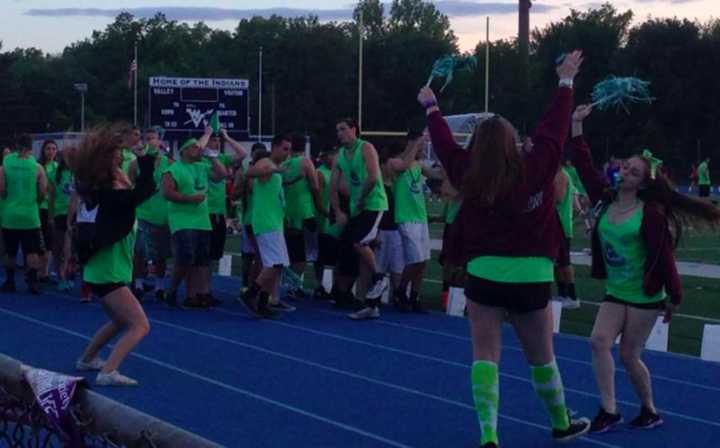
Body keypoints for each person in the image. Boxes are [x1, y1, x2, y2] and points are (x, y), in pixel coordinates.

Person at [420, 51, 591, 447]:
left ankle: (489, 436)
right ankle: (561, 423)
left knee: (485, 356)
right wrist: (565, 82)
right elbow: (553, 131)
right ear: (514, 142)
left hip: (483, 276)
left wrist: (431, 106)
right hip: (532, 276)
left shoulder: (467, 171)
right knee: (542, 357)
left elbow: (444, 144)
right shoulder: (536, 167)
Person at [571, 104, 720, 432]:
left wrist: (675, 297)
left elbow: (664, 257)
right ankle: (609, 409)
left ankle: (649, 409)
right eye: (625, 167)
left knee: (628, 354)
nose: (625, 172)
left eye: (633, 172)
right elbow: (583, 165)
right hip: (615, 291)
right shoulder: (606, 199)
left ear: (642, 184)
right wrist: (576, 124)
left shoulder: (649, 214)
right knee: (598, 341)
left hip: (644, 294)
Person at [70, 125, 156, 386]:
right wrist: (144, 158)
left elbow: (134, 187)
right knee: (140, 325)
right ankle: (108, 371)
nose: (123, 173)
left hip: (101, 269)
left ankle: (87, 359)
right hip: (108, 271)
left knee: (120, 320)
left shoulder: (102, 192)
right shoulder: (112, 197)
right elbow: (144, 188)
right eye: (118, 167)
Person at [329, 118, 389, 319]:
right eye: (337, 130)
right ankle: (371, 305)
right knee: (353, 249)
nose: (339, 133)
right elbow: (334, 186)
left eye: (343, 129)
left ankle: (380, 278)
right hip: (357, 209)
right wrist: (338, 210)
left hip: (373, 204)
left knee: (360, 243)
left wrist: (361, 198)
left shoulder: (366, 148)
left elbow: (373, 177)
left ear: (354, 129)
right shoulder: (340, 156)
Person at [163, 128, 228, 308]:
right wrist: (189, 199)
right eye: (194, 148)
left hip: (202, 221)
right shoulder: (173, 169)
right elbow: (167, 193)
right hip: (182, 221)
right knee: (186, 258)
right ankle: (173, 289)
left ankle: (199, 294)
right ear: (183, 151)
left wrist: (212, 157)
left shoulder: (202, 166)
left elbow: (222, 175)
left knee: (202, 260)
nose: (198, 150)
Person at [238, 135, 292, 318]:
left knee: (277, 265)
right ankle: (251, 294)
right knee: (273, 263)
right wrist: (274, 170)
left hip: (274, 222)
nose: (287, 153)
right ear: (275, 147)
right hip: (266, 223)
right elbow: (250, 172)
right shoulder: (266, 163)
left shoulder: (274, 168)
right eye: (284, 149)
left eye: (289, 150)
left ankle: (262, 301)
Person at [385, 132, 435, 312]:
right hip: (406, 217)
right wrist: (416, 142)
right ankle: (400, 291)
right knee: (414, 259)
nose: (422, 148)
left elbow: (437, 175)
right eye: (420, 145)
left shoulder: (418, 165)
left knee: (423, 260)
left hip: (420, 217)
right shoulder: (394, 163)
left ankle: (414, 295)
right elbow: (403, 165)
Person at [128, 128, 173, 302]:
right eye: (145, 139)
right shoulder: (135, 164)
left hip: (162, 214)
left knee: (161, 253)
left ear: (159, 141)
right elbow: (128, 184)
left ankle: (159, 286)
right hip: (141, 213)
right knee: (138, 251)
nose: (148, 142)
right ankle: (138, 284)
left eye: (152, 138)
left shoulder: (168, 163)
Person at [0, 134, 48, 294]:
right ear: (31, 147)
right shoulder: (37, 166)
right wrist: (36, 202)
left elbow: (1, 189)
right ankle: (33, 282)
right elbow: (43, 190)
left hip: (10, 215)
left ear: (15, 145)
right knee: (32, 251)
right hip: (30, 215)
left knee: (10, 251)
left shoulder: (5, 164)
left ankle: (10, 281)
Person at [281, 134, 324, 299]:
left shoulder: (284, 165)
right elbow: (314, 187)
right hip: (305, 212)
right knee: (306, 253)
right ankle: (294, 285)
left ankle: (292, 284)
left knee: (294, 252)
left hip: (289, 213)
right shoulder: (306, 162)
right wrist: (320, 207)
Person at [47, 149, 75, 291]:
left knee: (69, 248)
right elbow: (51, 197)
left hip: (75, 213)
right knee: (59, 247)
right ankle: (60, 275)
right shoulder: (54, 175)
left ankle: (67, 275)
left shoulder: (77, 174)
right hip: (60, 213)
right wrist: (50, 215)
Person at [553, 166, 580, 309]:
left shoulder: (561, 174)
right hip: (554, 226)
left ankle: (573, 297)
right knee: (557, 264)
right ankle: (562, 294)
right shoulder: (556, 173)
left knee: (564, 263)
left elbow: (558, 198)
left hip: (561, 226)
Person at [38, 140, 58, 283]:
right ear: (43, 150)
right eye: (48, 149)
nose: (51, 151)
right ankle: (38, 270)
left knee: (49, 241)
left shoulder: (58, 167)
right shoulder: (38, 167)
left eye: (53, 149)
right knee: (39, 241)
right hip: (40, 208)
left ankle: (45, 271)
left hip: (53, 209)